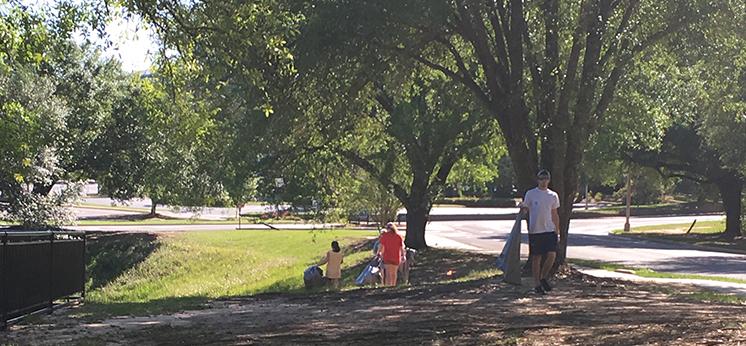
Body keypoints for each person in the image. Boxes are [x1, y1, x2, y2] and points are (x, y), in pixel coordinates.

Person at [521, 169, 560, 295]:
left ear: (549, 180)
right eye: (541, 179)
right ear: (538, 180)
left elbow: (555, 214)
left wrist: (556, 229)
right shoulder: (531, 194)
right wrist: (523, 209)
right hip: (535, 230)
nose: (544, 181)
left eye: (546, 179)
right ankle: (537, 284)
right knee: (536, 257)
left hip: (549, 229)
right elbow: (526, 208)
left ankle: (543, 277)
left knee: (552, 255)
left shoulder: (553, 195)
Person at [377, 222, 405, 286]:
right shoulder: (398, 236)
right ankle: (393, 285)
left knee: (388, 273)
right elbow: (401, 247)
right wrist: (403, 255)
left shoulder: (385, 236)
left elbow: (381, 246)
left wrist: (378, 253)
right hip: (396, 257)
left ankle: (387, 286)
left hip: (387, 257)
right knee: (394, 273)